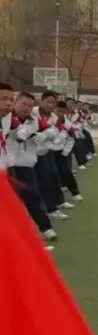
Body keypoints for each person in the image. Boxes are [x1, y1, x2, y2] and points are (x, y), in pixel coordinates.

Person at [3, 91, 57, 244]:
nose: (26, 108)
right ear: (16, 103)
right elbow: (19, 135)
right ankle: (19, 237)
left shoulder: (34, 120)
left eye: (29, 105)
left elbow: (53, 129)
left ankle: (46, 228)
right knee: (12, 203)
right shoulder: (7, 119)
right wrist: (23, 132)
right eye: (23, 104)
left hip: (26, 165)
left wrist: (46, 134)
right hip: (7, 166)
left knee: (33, 196)